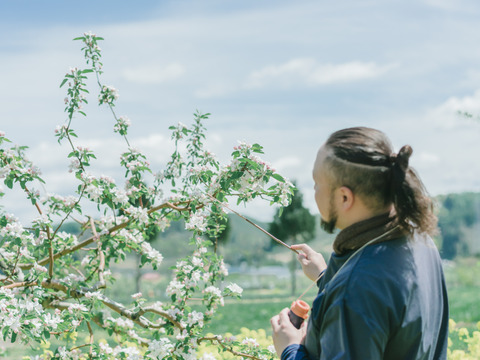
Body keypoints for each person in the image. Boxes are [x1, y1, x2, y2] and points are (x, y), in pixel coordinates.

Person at [271, 127, 449, 360]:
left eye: (316, 183)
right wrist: (326, 277)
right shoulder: (419, 240)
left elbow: (363, 295)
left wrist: (290, 349)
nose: (313, 192)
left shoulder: (355, 289)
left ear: (344, 197)